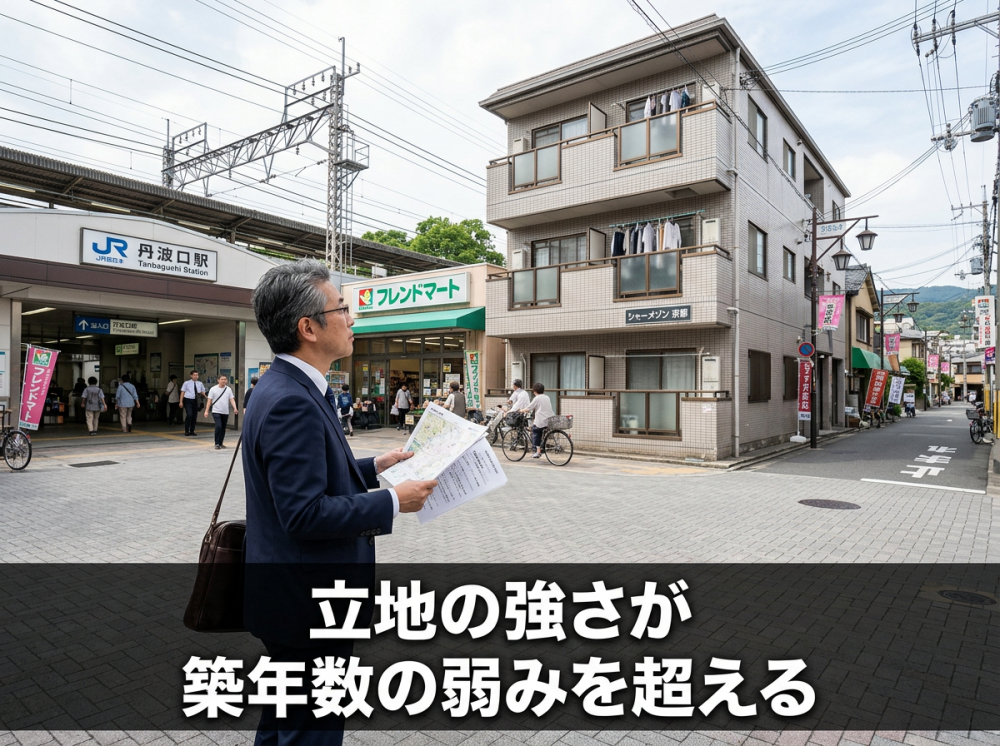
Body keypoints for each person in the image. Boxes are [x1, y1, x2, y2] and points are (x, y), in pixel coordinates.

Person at [243, 259, 438, 746]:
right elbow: (304, 513)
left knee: (284, 722)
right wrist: (392, 501)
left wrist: (374, 466)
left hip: (288, 593)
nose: (352, 319)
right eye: (342, 308)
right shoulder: (293, 400)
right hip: (309, 603)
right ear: (308, 327)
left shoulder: (284, 387)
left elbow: (304, 479)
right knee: (310, 731)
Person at [521, 382, 555, 459]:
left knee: (535, 431)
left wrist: (521, 410)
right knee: (540, 432)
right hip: (549, 419)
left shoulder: (537, 398)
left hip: (541, 420)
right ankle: (541, 447)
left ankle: (538, 451)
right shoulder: (547, 397)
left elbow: (529, 408)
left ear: (534, 391)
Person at [204, 374, 238, 449]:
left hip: (225, 411)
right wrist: (206, 411)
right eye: (222, 379)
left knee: (223, 427)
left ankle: (221, 442)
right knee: (218, 426)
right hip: (216, 411)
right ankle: (217, 443)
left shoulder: (228, 389)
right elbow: (209, 401)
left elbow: (231, 399)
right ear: (218, 380)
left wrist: (235, 408)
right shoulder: (213, 389)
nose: (223, 381)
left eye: (225, 379)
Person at [180, 370, 205, 436]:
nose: (196, 376)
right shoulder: (186, 383)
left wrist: (206, 397)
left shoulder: (200, 383)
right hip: (188, 400)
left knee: (194, 416)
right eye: (194, 375)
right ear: (191, 375)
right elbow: (183, 392)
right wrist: (181, 402)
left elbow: (202, 392)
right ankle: (186, 430)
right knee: (189, 414)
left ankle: (192, 431)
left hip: (196, 400)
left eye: (197, 375)